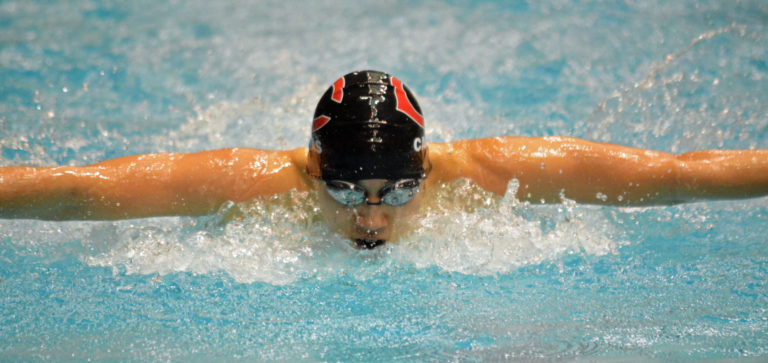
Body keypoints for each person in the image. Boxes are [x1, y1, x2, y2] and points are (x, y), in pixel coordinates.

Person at [1, 70, 767, 248]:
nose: (370, 216)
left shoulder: (488, 173)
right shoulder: (266, 181)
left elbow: (674, 175)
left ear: (427, 167)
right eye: (347, 191)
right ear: (312, 170)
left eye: (398, 190)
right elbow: (77, 189)